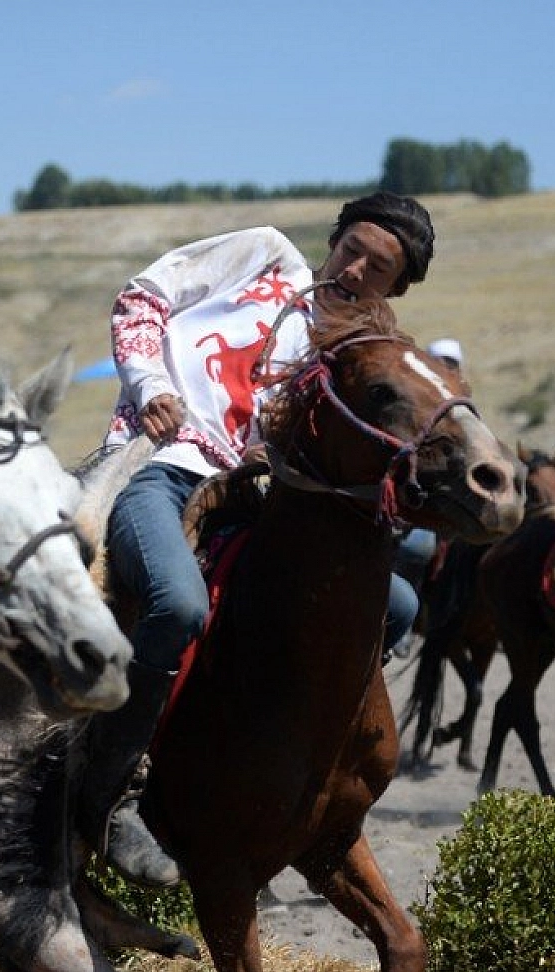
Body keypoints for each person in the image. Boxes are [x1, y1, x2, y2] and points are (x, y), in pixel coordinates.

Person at [90, 192, 437, 885]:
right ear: (334, 241)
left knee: (395, 604)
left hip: (245, 502)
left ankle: (275, 768)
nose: (355, 267)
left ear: (393, 288)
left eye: (377, 266)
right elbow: (141, 299)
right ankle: (109, 795)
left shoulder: (341, 355)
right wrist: (150, 384)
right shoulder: (266, 255)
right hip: (155, 468)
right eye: (352, 248)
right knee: (179, 603)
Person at [388, 337, 466, 644]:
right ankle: (404, 622)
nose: (447, 369)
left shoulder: (465, 407)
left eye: (452, 364)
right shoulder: (416, 406)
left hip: (452, 499)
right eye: (440, 363)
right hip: (417, 501)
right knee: (417, 546)